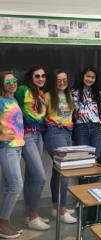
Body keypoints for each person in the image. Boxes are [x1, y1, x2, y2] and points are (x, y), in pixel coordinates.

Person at [15, 66, 50, 230]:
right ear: (31, 77)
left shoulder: (41, 94)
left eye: (43, 76)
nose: (41, 78)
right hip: (27, 136)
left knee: (31, 177)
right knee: (40, 177)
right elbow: (10, 103)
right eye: (37, 76)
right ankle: (33, 215)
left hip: (39, 136)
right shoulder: (23, 90)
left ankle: (30, 214)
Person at [43, 69, 76, 224]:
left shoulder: (69, 96)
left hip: (68, 132)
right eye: (58, 80)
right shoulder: (48, 96)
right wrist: (51, 122)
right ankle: (62, 210)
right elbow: (40, 116)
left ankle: (55, 207)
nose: (62, 82)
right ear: (53, 81)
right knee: (64, 170)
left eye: (65, 79)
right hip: (54, 133)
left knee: (58, 172)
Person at [0, 71, 25, 238]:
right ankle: (3, 223)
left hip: (17, 148)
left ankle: (4, 221)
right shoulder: (1, 101)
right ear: (1, 84)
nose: (12, 83)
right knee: (16, 186)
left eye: (14, 80)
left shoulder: (13, 99)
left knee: (8, 186)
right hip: (7, 148)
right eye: (7, 81)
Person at [72, 67, 101, 158]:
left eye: (93, 77)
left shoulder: (99, 94)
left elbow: (100, 112)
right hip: (81, 128)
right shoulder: (73, 92)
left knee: (96, 158)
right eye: (87, 76)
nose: (90, 79)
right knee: (83, 158)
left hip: (96, 128)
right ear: (83, 76)